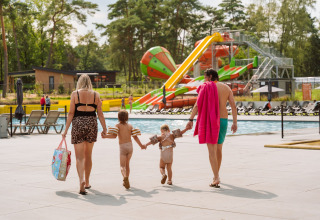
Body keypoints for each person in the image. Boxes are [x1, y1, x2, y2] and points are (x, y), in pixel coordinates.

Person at [186, 69, 237, 188]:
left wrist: (190, 119)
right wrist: (234, 122)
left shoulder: (206, 87)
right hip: (224, 120)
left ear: (210, 77)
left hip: (211, 120)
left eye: (205, 77)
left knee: (211, 151)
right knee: (219, 149)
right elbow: (233, 106)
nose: (204, 80)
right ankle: (216, 176)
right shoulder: (226, 88)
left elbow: (197, 104)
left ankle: (216, 177)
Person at [62, 74, 107, 195]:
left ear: (80, 82)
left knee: (80, 157)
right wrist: (104, 128)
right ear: (90, 82)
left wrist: (65, 130)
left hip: (78, 123)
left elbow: (71, 113)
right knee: (88, 155)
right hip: (91, 124)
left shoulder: (75, 94)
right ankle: (87, 182)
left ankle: (81, 180)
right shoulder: (96, 95)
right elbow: (100, 114)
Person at [101, 110, 145, 189]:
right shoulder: (130, 126)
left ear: (118, 117)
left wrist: (105, 136)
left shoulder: (117, 125)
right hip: (130, 146)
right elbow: (135, 137)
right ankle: (126, 179)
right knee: (127, 164)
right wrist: (141, 145)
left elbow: (114, 136)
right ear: (127, 117)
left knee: (122, 166)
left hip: (122, 147)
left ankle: (125, 177)